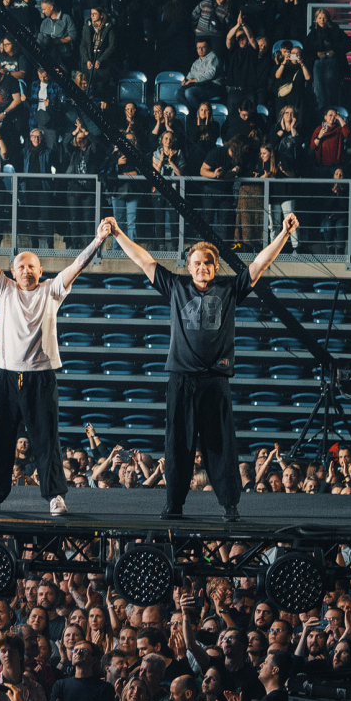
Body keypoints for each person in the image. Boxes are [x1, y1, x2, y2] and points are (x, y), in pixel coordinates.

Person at [105, 212, 299, 520]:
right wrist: (117, 233)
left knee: (220, 446)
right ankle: (174, 504)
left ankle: (229, 504)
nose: (202, 267)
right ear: (189, 266)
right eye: (196, 263)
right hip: (181, 380)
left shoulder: (229, 290)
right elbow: (144, 260)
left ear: (216, 266)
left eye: (208, 262)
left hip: (215, 381)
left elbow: (260, 265)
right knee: (177, 446)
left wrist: (284, 235)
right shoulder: (176, 287)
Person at [0, 203, 109, 517]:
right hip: (6, 377)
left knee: (47, 440)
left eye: (32, 266)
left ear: (41, 271)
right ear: (13, 271)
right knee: (1, 440)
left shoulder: (51, 291)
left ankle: (55, 496)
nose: (26, 271)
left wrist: (98, 239)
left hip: (40, 377)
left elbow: (77, 265)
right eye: (21, 266)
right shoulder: (3, 289)